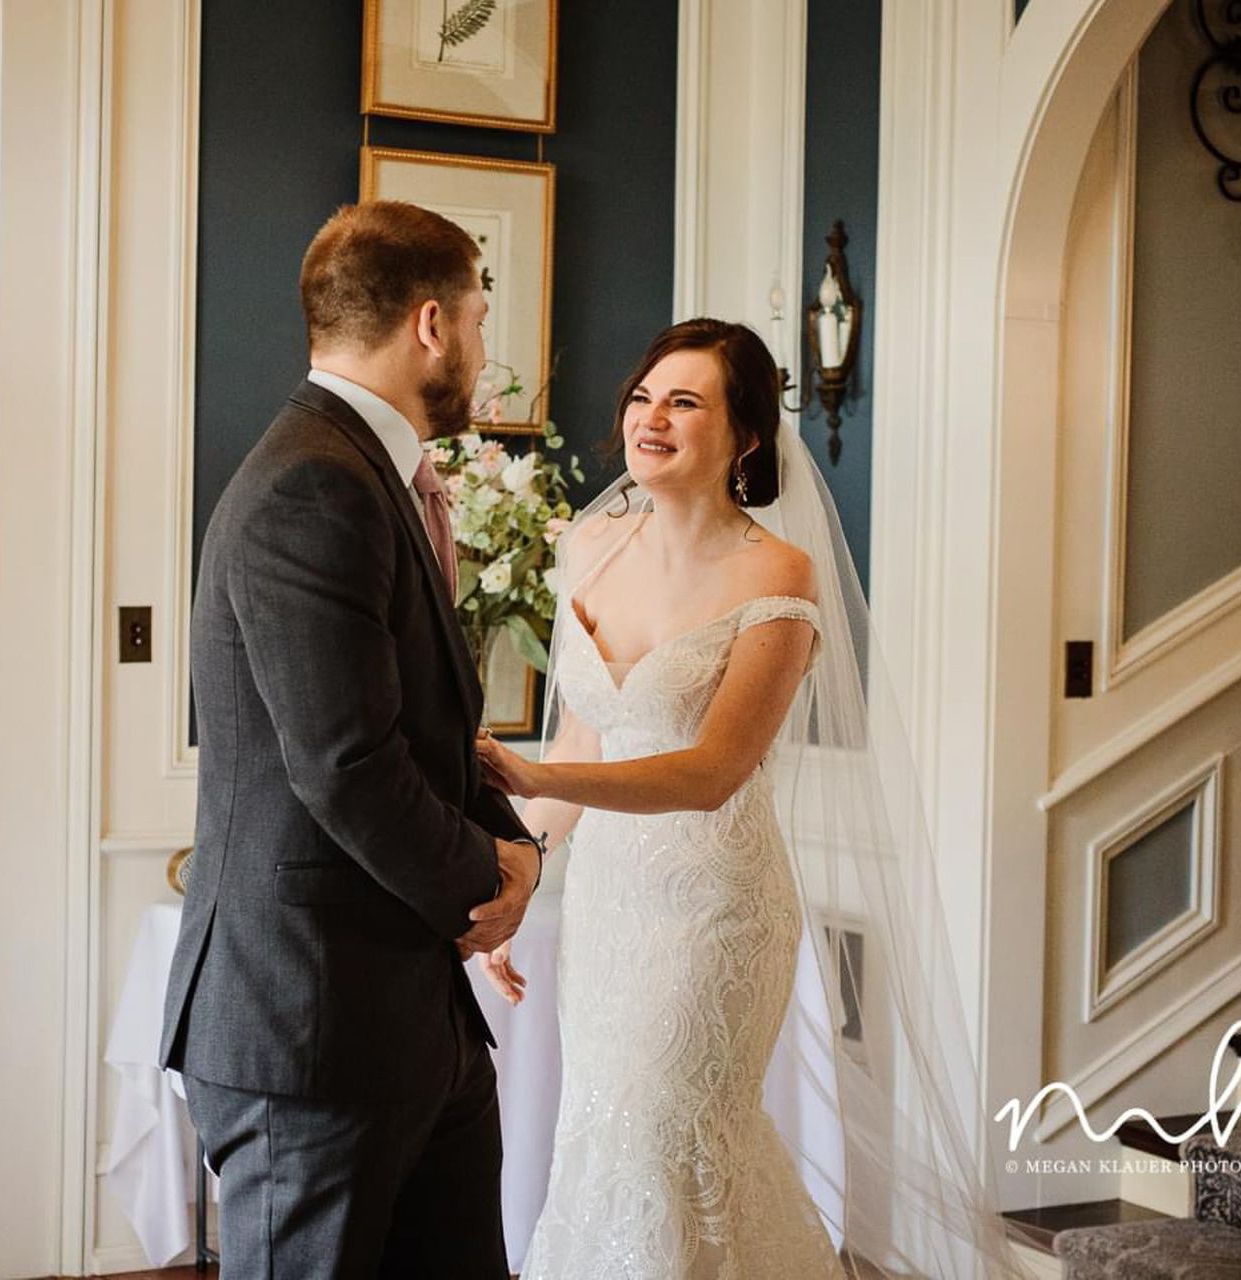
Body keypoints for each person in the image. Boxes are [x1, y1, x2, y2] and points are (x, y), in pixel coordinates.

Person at [476, 320, 1021, 1277]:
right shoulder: (589, 550)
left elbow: (713, 771)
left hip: (714, 910)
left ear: (747, 438)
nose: (652, 419)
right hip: (610, 906)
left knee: (667, 1139)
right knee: (605, 1140)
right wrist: (518, 870)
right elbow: (581, 738)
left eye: (685, 402)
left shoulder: (778, 575)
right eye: (643, 397)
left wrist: (532, 777)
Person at [160, 200, 541, 1280]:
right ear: (431, 324)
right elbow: (348, 765)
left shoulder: (370, 473)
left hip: (408, 1018)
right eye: (476, 316)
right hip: (312, 1027)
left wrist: (519, 852)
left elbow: (424, 732)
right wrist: (490, 879)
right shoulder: (313, 482)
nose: (479, 346)